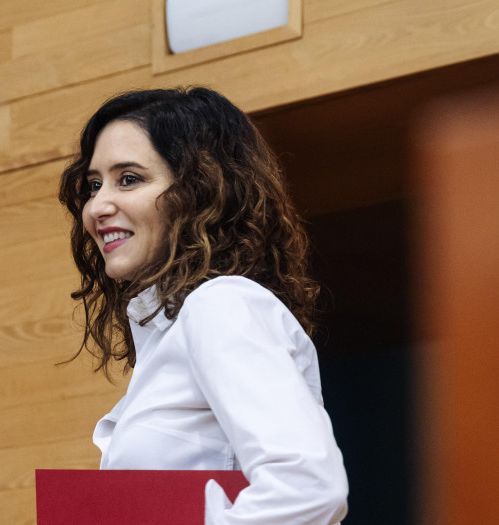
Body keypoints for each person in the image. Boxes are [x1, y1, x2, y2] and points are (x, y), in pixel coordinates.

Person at [58, 87, 349, 523]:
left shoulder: (221, 305)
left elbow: (308, 488)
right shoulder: (172, 331)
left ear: (199, 191)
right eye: (95, 184)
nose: (97, 206)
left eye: (130, 178)